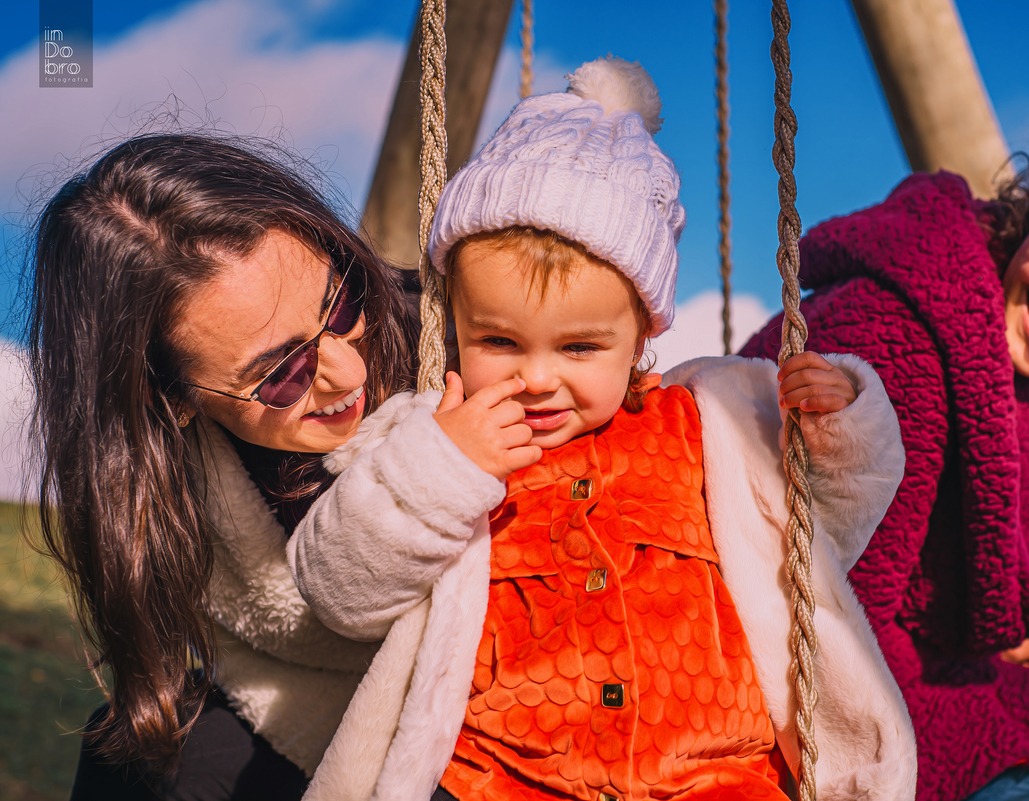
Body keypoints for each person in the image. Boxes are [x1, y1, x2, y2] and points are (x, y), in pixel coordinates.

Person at [287, 57, 916, 801]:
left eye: (580, 348)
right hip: (506, 776)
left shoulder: (711, 421)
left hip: (715, 773)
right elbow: (337, 588)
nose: (540, 376)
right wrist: (445, 468)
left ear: (640, 337)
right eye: (501, 343)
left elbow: (831, 521)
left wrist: (840, 421)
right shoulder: (438, 439)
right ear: (456, 326)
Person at [740, 107, 1029, 800]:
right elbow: (835, 659)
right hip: (791, 715)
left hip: (900, 684)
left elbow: (987, 543)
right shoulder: (897, 343)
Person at [26, 132, 421, 800]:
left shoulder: (463, 332)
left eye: (341, 299)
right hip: (300, 706)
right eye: (283, 372)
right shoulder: (168, 488)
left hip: (505, 683)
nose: (347, 370)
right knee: (137, 759)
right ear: (174, 400)